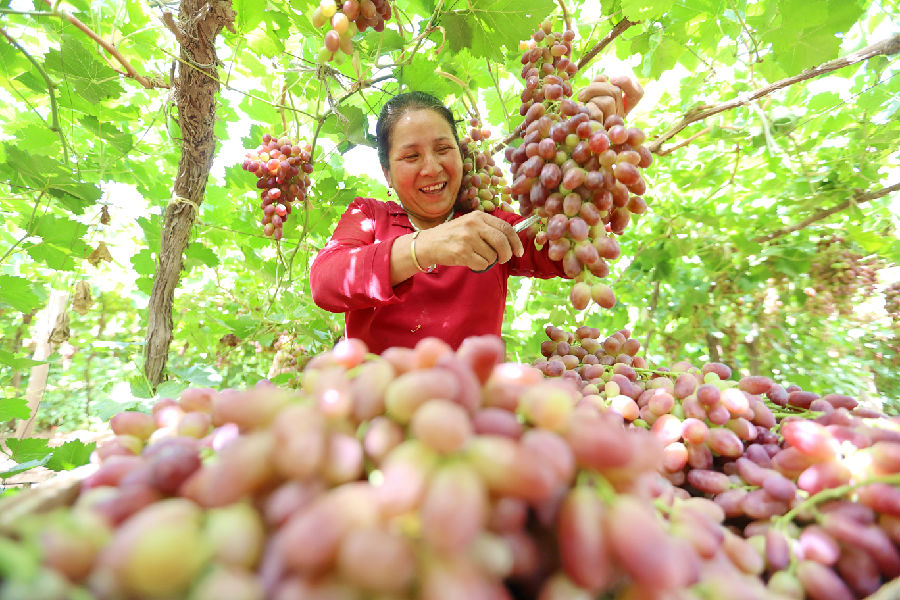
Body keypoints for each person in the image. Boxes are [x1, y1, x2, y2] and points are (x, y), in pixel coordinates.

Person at [310, 80, 642, 354]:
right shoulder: (369, 215)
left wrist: (596, 155)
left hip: (472, 419)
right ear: (387, 174)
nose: (432, 167)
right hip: (380, 417)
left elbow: (571, 243)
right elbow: (326, 282)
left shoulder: (489, 224)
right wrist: (425, 247)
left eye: (444, 149)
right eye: (411, 156)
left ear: (461, 154)